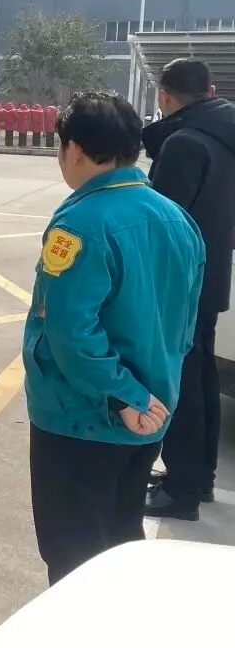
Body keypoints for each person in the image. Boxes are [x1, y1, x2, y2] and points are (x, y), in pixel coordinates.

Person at [25, 91, 204, 585]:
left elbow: (70, 331)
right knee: (122, 540)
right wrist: (150, 395)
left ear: (74, 148)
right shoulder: (176, 217)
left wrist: (123, 394)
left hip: (85, 418)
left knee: (73, 555)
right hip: (152, 413)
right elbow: (185, 321)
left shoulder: (80, 223)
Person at [141, 59, 235, 521]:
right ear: (211, 91)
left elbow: (163, 224)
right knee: (202, 378)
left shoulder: (183, 143)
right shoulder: (225, 136)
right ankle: (199, 479)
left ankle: (181, 491)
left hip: (182, 282)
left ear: (164, 95)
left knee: (180, 381)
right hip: (212, 275)